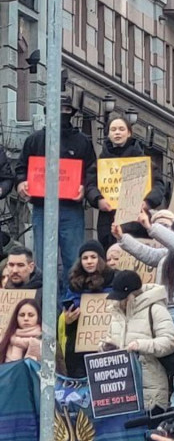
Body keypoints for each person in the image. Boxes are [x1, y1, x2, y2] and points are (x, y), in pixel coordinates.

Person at [15, 96, 98, 295]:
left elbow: (91, 172)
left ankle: (72, 305)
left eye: (67, 109)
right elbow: (21, 168)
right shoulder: (34, 140)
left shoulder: (82, 142)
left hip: (71, 208)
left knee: (73, 260)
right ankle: (45, 308)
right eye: (58, 108)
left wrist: (83, 189)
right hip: (42, 207)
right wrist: (21, 184)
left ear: (72, 112)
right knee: (43, 260)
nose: (62, 113)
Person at [103, 270, 174, 411]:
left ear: (133, 295)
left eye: (123, 298)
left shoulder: (155, 310)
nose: (119, 301)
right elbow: (109, 337)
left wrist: (141, 345)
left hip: (151, 386)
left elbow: (170, 341)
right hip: (123, 389)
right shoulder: (116, 313)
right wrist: (104, 347)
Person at [94, 115, 165, 248]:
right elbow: (91, 184)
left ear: (129, 133)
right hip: (108, 220)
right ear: (108, 134)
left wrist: (147, 202)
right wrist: (98, 199)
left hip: (135, 221)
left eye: (121, 129)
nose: (117, 132)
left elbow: (159, 186)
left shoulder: (142, 161)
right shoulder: (101, 162)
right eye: (113, 129)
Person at [115, 211, 174, 305]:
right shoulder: (171, 253)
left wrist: (150, 227)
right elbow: (149, 254)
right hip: (166, 304)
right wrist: (122, 238)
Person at [60, 241, 119, 377]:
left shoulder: (114, 278)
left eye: (93, 257)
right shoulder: (74, 283)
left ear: (101, 259)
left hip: (109, 342)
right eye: (85, 258)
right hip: (79, 344)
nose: (89, 261)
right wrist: (69, 319)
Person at [0, 298, 41, 363]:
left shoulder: (46, 342)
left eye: (31, 315)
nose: (26, 318)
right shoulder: (5, 341)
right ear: (16, 317)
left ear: (38, 317)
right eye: (22, 315)